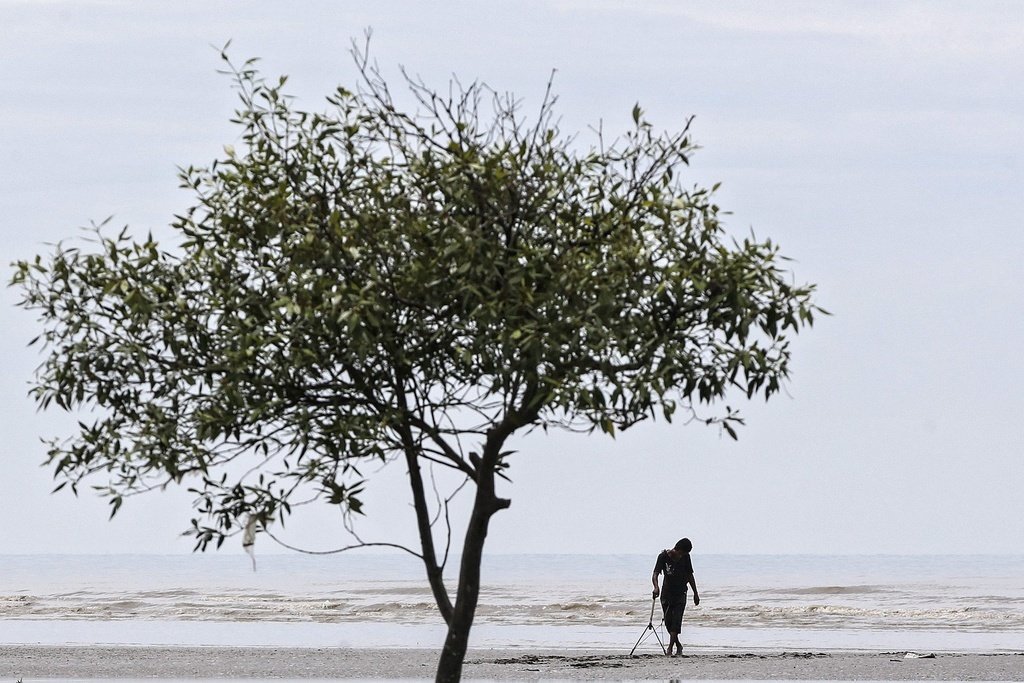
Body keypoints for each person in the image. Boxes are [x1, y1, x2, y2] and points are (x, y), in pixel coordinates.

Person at [651, 537, 699, 656]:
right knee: (668, 622)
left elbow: (690, 575)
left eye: (684, 554)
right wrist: (656, 587)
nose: (681, 556)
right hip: (666, 593)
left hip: (681, 593)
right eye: (680, 553)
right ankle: (678, 644)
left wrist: (695, 593)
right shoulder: (663, 556)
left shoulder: (686, 557)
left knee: (676, 621)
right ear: (676, 549)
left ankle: (670, 648)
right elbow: (655, 574)